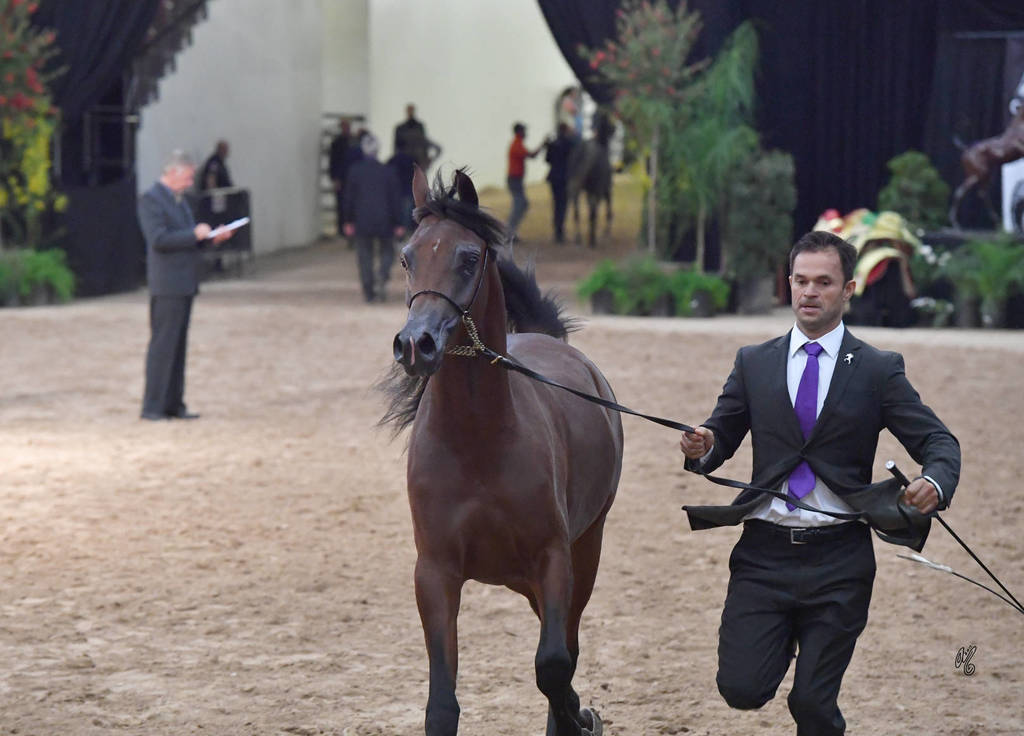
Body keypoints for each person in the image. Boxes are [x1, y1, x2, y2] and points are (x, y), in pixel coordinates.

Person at [678, 230, 960, 735]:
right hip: (763, 556)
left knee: (810, 703)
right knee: (740, 689)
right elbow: (720, 433)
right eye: (801, 280)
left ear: (848, 290)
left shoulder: (878, 370)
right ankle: (780, 633)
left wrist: (934, 483)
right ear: (788, 283)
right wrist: (703, 447)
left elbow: (940, 443)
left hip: (840, 562)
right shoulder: (754, 362)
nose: (809, 292)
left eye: (823, 283)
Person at [138, 150, 233, 421]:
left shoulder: (179, 201)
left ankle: (174, 403)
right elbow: (158, 239)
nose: (191, 182)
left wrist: (210, 238)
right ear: (174, 172)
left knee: (178, 347)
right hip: (167, 284)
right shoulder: (151, 200)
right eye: (188, 177)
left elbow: (186, 239)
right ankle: (153, 405)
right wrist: (193, 234)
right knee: (163, 346)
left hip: (184, 282)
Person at [342, 133, 405, 302]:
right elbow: (395, 199)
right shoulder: (388, 172)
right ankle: (382, 276)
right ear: (378, 150)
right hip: (385, 220)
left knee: (364, 256)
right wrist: (399, 222)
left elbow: (348, 198)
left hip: (362, 221)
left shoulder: (354, 172)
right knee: (387, 251)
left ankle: (369, 292)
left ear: (363, 150)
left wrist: (347, 220)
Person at [506, 122, 549, 241]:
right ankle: (509, 232)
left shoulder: (517, 143)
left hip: (516, 179)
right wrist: (543, 144)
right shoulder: (517, 144)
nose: (526, 133)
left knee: (521, 204)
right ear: (519, 132)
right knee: (519, 205)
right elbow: (532, 155)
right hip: (514, 179)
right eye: (524, 130)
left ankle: (511, 232)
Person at [545, 122, 576, 243]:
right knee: (563, 205)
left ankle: (557, 230)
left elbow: (547, 160)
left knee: (556, 204)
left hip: (553, 177)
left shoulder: (552, 143)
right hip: (564, 177)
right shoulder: (569, 143)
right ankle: (560, 232)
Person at [393, 104, 441, 172]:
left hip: (418, 163)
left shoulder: (419, 127)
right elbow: (396, 148)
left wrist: (426, 161)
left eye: (411, 110)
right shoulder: (400, 128)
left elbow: (424, 145)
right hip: (405, 164)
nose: (410, 112)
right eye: (409, 110)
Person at [328, 119, 355, 230]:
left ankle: (350, 229)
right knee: (341, 204)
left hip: (352, 178)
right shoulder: (337, 143)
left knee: (352, 204)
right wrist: (335, 179)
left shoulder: (354, 142)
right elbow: (333, 162)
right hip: (342, 179)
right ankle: (342, 229)